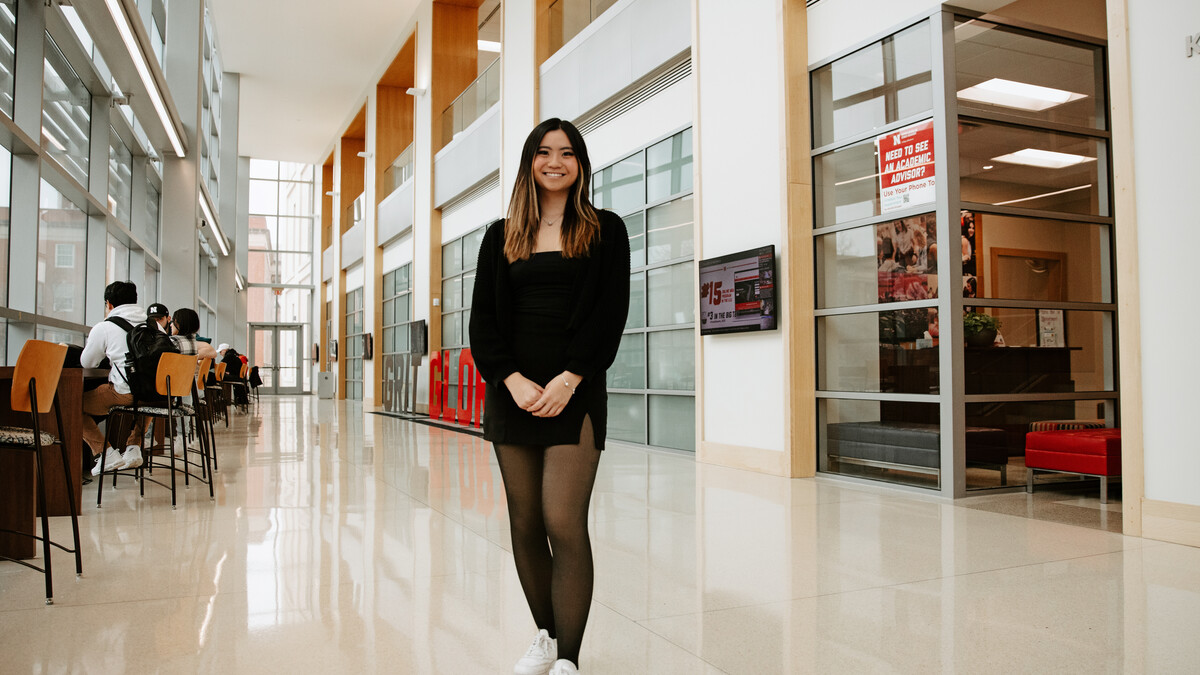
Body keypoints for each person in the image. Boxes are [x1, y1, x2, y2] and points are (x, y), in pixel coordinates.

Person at [469, 118, 630, 675]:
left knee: (563, 520)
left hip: (575, 393)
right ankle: (546, 635)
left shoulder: (606, 230)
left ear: (581, 164)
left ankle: (568, 659)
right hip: (512, 394)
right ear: (529, 162)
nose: (554, 161)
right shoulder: (501, 234)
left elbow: (610, 316)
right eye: (543, 152)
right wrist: (511, 380)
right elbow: (482, 323)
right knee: (525, 523)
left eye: (566, 152)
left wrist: (570, 378)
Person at [79, 281, 147, 474]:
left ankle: (105, 453)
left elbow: (87, 363)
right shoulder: (155, 327)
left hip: (124, 394)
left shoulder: (105, 327)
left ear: (109, 304)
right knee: (150, 394)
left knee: (71, 404)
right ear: (135, 301)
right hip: (158, 395)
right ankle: (133, 446)